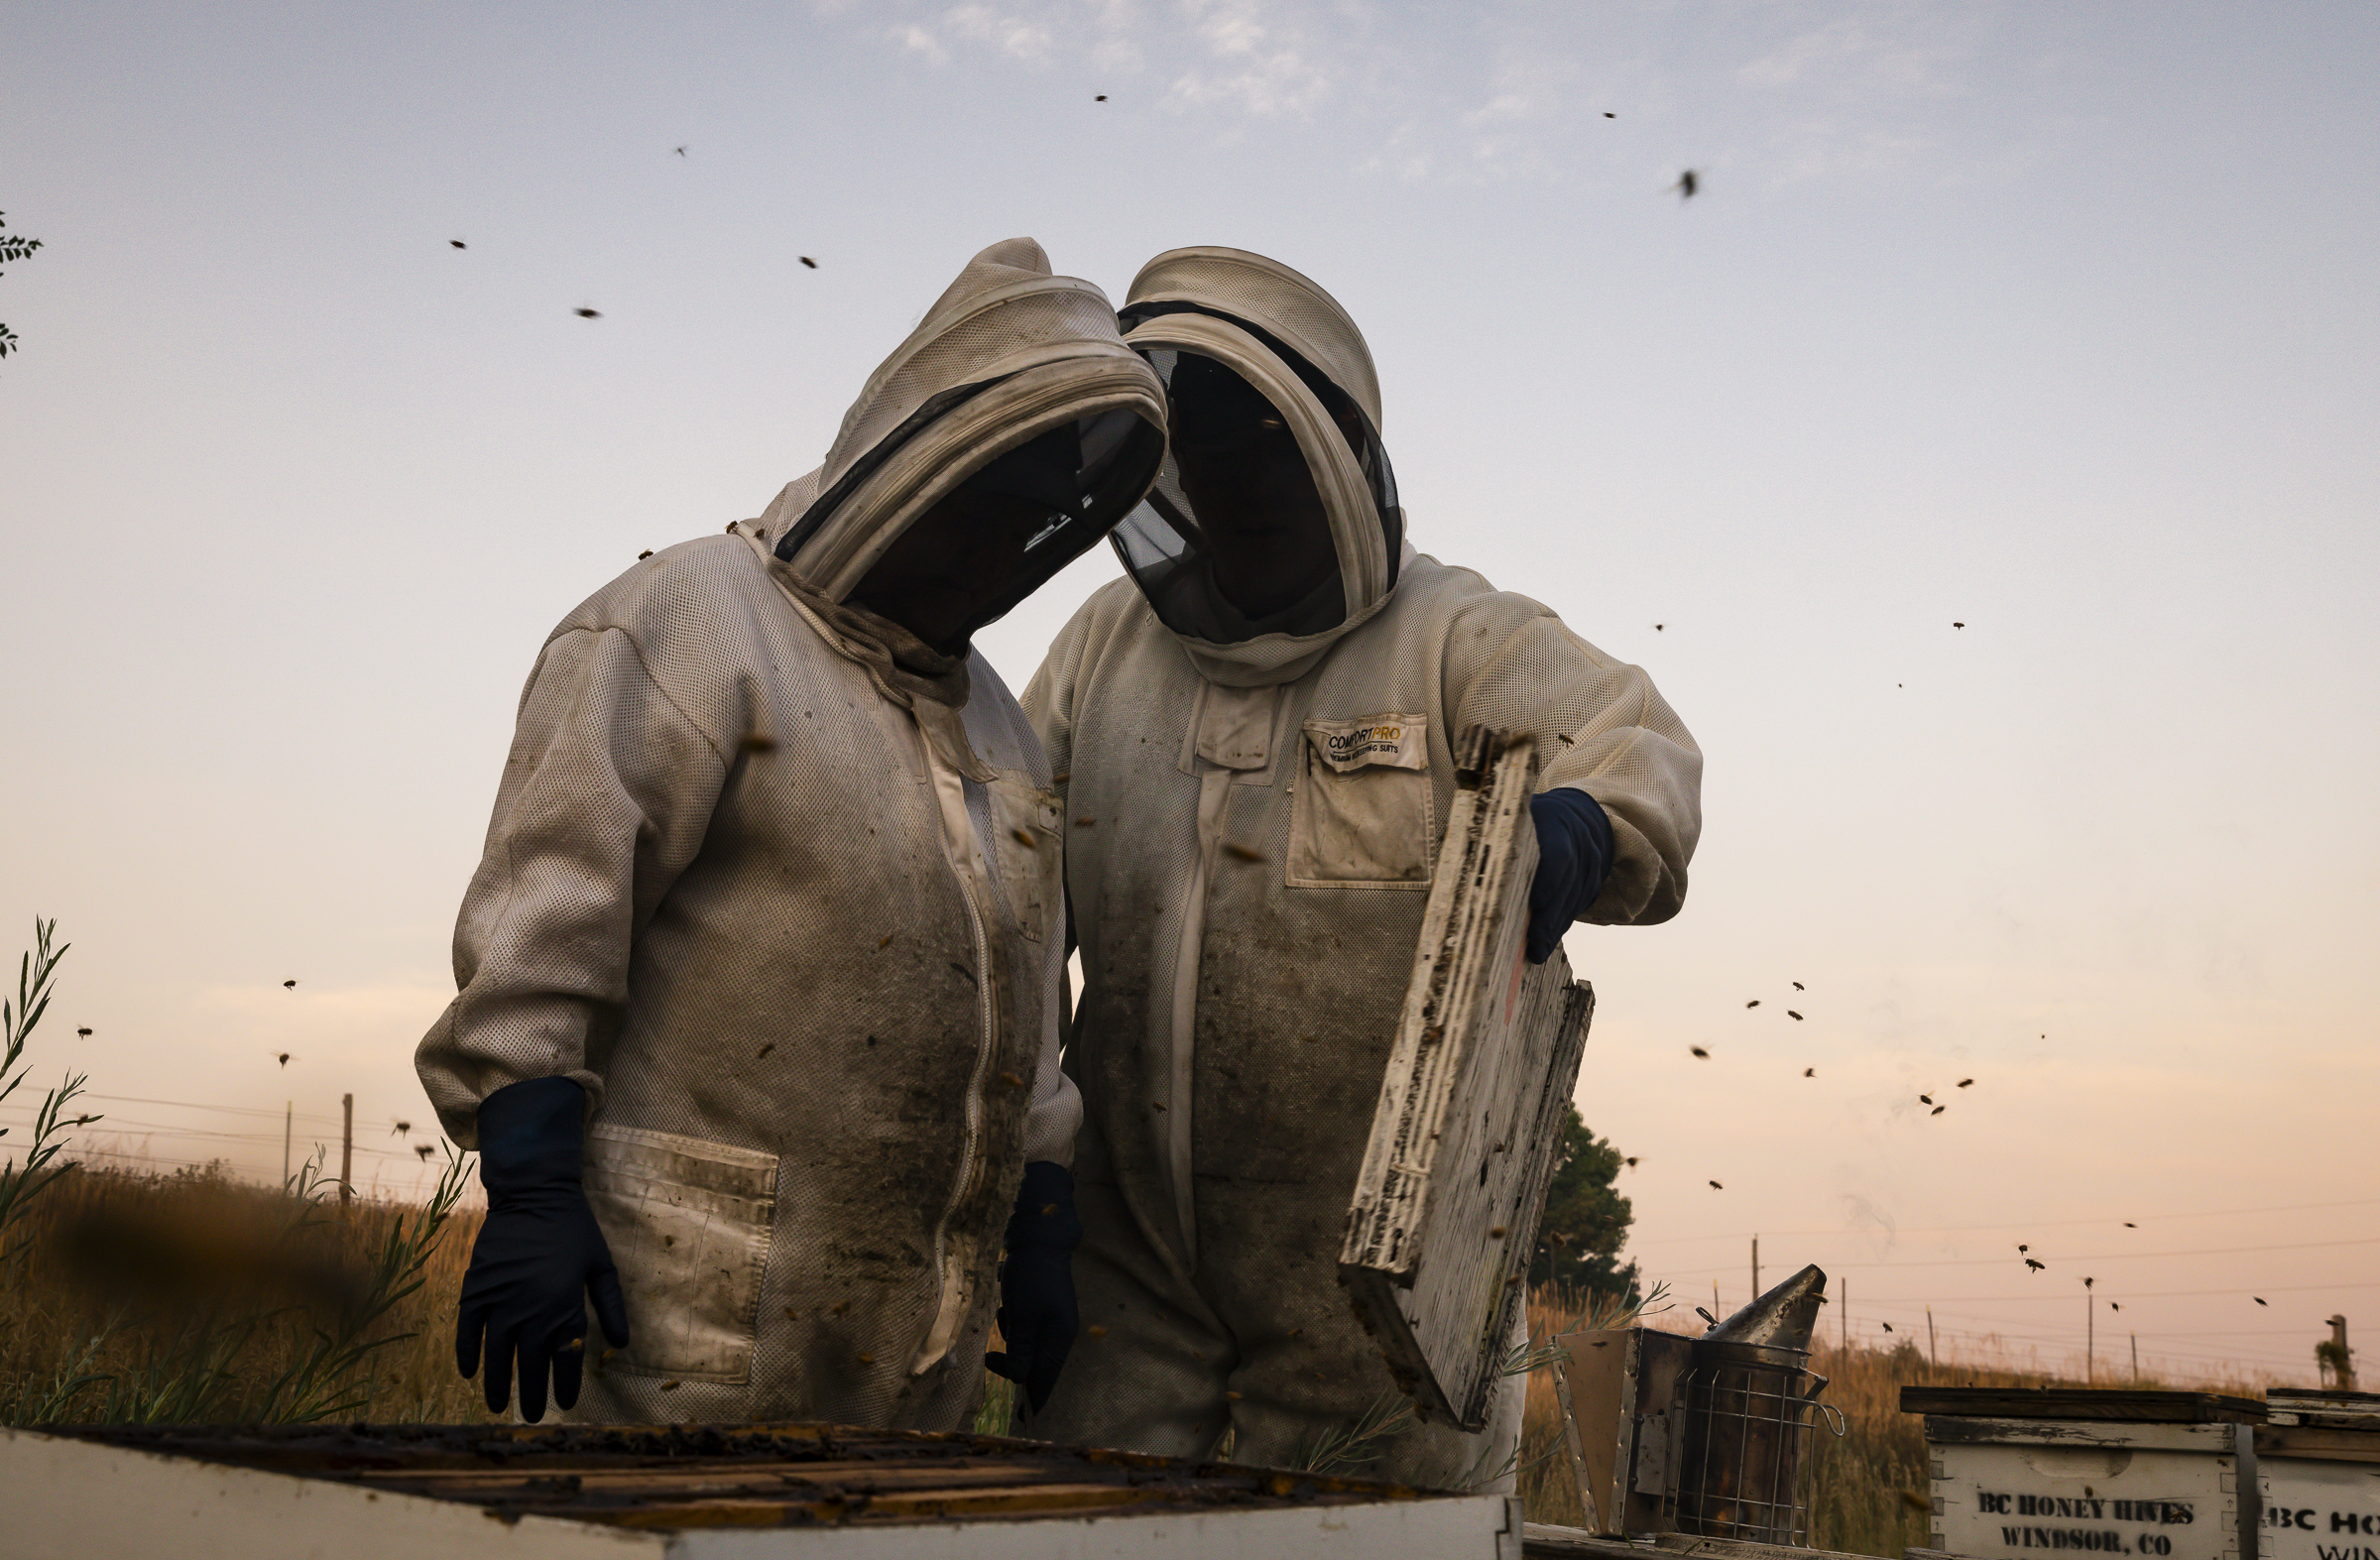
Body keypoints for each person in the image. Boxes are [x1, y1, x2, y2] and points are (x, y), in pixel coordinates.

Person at [416, 238, 1165, 1426]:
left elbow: (1018, 1005)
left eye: (1025, 523)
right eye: (978, 511)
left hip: (919, 1340)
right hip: (666, 1323)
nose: (995, 557)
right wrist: (531, 1184)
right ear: (909, 467)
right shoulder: (688, 624)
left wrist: (1040, 1220)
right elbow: (548, 925)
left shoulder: (1001, 726)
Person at [1021, 247, 1702, 1486]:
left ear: (1339, 468)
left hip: (1374, 1295)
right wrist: (1028, 1176)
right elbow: (1008, 898)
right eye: (1212, 476)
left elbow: (1640, 745)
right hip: (1124, 1271)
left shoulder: (1454, 637)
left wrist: (1589, 824)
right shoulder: (1102, 654)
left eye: (1266, 472)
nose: (1239, 507)